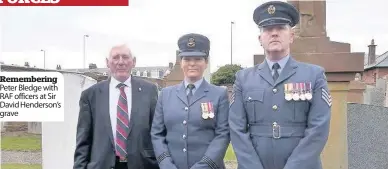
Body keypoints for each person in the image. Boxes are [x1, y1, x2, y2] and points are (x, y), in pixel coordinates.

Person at [229, 1, 332, 169]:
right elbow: (237, 130)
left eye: (281, 28)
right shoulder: (243, 78)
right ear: (260, 39)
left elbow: (318, 129)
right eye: (268, 29)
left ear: (291, 36)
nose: (274, 33)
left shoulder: (314, 76)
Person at [73, 44, 160, 169]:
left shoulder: (149, 90)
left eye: (125, 57)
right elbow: (83, 141)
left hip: (141, 164)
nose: (120, 62)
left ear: (133, 62)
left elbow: (157, 133)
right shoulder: (91, 95)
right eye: (115, 58)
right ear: (107, 62)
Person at [151, 33, 230, 169]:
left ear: (206, 63)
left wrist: (204, 165)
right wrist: (166, 164)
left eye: (198, 59)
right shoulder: (165, 94)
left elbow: (223, 134)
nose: (192, 63)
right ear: (181, 63)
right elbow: (157, 134)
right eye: (187, 59)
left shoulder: (219, 94)